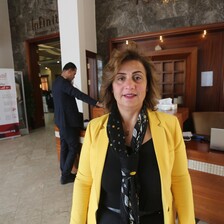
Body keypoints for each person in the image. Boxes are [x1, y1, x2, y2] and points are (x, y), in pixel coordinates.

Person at [70, 44, 195, 223]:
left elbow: (180, 180)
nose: (130, 85)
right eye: (121, 78)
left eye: (137, 77)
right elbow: (83, 182)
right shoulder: (95, 129)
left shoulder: (169, 126)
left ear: (147, 85)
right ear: (111, 87)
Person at [52, 62, 102, 185]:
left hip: (60, 120)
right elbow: (78, 94)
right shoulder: (64, 84)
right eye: (73, 74)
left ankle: (64, 172)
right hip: (68, 122)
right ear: (68, 71)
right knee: (73, 147)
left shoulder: (57, 81)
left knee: (64, 146)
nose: (74, 76)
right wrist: (96, 103)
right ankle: (66, 175)